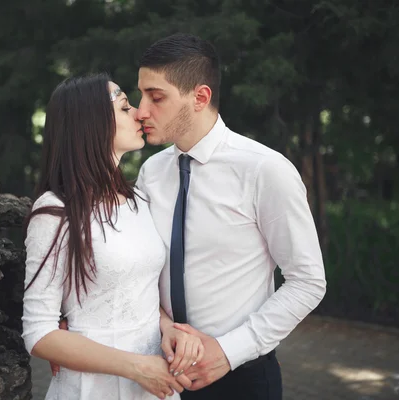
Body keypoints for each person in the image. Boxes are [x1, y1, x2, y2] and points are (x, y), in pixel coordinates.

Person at [135, 33, 327, 399]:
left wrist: (228, 351)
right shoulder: (151, 172)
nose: (142, 110)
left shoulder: (264, 170)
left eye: (156, 97)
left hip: (241, 378)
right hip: (160, 372)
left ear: (200, 97)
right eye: (142, 95)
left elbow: (308, 280)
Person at [21, 73, 204, 400]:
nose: (139, 113)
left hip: (154, 384)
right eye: (124, 107)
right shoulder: (56, 210)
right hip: (93, 388)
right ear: (90, 124)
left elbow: (140, 290)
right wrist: (135, 367)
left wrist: (168, 328)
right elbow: (39, 333)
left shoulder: (138, 199)